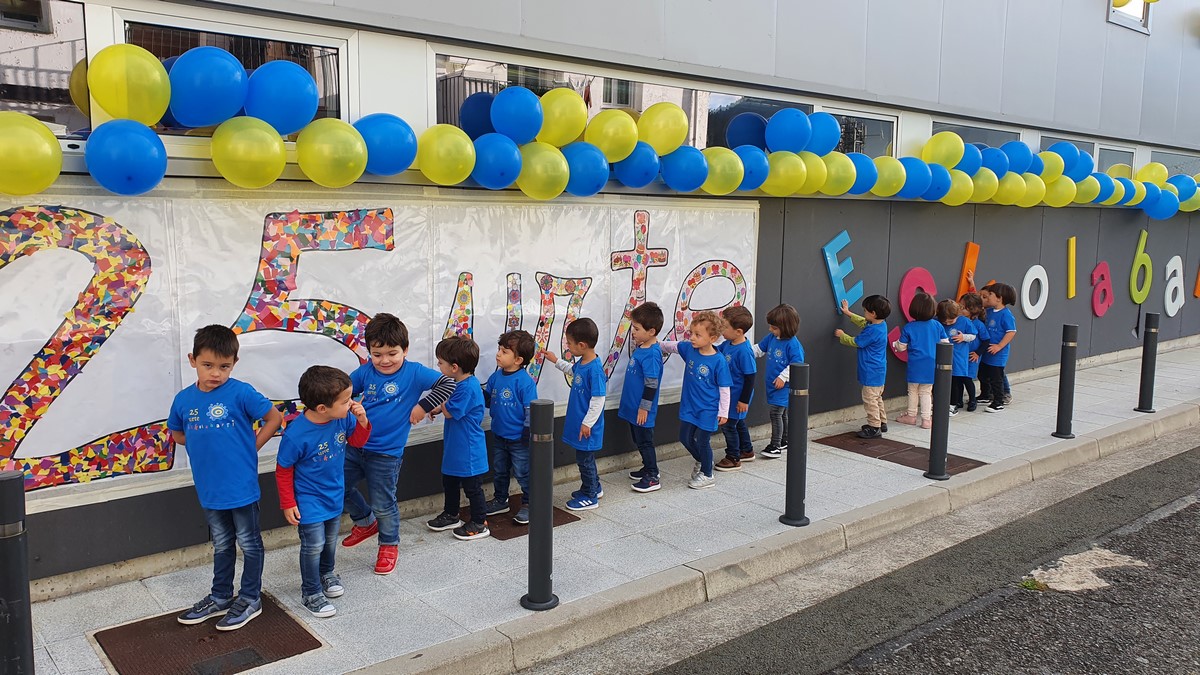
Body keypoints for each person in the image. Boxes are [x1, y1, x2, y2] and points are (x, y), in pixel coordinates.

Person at [169, 325, 283, 631]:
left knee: (249, 542)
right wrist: (203, 443)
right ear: (192, 360)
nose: (215, 373)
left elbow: (274, 417)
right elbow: (178, 433)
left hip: (241, 485)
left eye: (224, 366)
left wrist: (251, 446)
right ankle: (220, 596)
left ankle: (250, 598)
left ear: (234, 363)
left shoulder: (241, 392)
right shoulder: (183, 400)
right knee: (221, 543)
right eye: (208, 365)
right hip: (209, 488)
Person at [341, 313, 456, 575]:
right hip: (355, 446)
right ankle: (365, 522)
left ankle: (389, 545)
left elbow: (448, 383)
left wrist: (423, 406)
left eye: (392, 353)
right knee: (339, 487)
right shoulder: (365, 372)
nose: (385, 360)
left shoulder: (414, 372)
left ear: (405, 349)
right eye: (377, 354)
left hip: (386, 454)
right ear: (369, 352)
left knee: (383, 503)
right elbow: (342, 390)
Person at [275, 366, 371, 618]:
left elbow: (357, 441)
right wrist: (288, 502)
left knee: (329, 540)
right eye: (345, 400)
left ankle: (327, 573)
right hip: (308, 499)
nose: (351, 403)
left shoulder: (342, 418)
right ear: (321, 408)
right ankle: (311, 592)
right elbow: (283, 470)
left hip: (334, 493)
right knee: (313, 545)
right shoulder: (296, 435)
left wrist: (362, 421)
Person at [425, 336, 492, 540]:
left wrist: (440, 404)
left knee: (473, 488)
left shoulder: (468, 387)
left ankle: (479, 522)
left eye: (440, 363)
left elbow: (450, 412)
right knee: (450, 482)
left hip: (468, 449)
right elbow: (449, 407)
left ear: (454, 367)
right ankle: (451, 514)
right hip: (456, 447)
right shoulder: (459, 383)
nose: (438, 366)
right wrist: (439, 407)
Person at [661, 311, 732, 489]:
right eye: (691, 333)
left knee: (702, 441)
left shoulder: (719, 361)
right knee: (684, 438)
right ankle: (703, 461)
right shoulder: (689, 350)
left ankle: (708, 475)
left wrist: (723, 412)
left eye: (697, 335)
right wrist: (656, 344)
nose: (692, 337)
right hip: (689, 406)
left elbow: (724, 389)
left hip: (708, 409)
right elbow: (673, 346)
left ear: (712, 338)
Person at [542, 318, 607, 511]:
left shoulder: (595, 369)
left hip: (587, 427)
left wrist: (587, 423)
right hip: (580, 423)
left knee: (584, 460)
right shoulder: (583, 363)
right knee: (585, 458)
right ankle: (593, 486)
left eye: (569, 343)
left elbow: (598, 399)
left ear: (582, 345)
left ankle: (590, 496)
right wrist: (556, 361)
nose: (568, 346)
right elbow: (573, 371)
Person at [482, 330, 539, 524]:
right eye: (499, 349)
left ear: (518, 360)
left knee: (523, 472)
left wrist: (527, 433)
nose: (498, 354)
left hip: (519, 439)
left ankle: (530, 503)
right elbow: (488, 401)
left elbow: (531, 410)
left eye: (504, 351)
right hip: (499, 435)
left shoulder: (525, 382)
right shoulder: (495, 377)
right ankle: (500, 500)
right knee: (500, 471)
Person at [621, 303, 665, 493]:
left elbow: (651, 384)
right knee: (638, 439)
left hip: (642, 409)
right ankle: (647, 467)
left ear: (651, 331)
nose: (633, 332)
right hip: (634, 407)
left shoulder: (652, 354)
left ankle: (653, 475)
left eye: (637, 329)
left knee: (645, 441)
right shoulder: (642, 347)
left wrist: (644, 408)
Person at [835, 295, 891, 439]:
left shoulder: (873, 331)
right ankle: (882, 422)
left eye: (865, 311)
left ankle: (874, 427)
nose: (864, 313)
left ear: (873, 313)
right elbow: (863, 322)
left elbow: (857, 342)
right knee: (877, 398)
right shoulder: (881, 325)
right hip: (879, 370)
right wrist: (848, 313)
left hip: (871, 370)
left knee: (869, 399)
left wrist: (842, 335)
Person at [753, 304, 805, 458]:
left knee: (776, 413)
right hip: (773, 385)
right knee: (782, 414)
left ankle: (775, 445)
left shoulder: (793, 345)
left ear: (786, 327)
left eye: (774, 327)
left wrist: (783, 377)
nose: (770, 330)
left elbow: (797, 364)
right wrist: (744, 351)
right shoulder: (772, 337)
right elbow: (759, 349)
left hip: (784, 387)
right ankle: (785, 440)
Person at [892, 292, 949, 429]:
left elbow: (901, 346)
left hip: (915, 364)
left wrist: (895, 344)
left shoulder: (909, 327)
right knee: (926, 392)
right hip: (931, 364)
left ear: (913, 309)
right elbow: (945, 344)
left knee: (912, 390)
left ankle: (911, 416)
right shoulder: (937, 326)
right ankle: (926, 420)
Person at [715, 306, 757, 472]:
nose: (721, 330)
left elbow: (750, 377)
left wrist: (743, 401)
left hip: (737, 397)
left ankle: (733, 457)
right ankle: (746, 450)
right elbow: (715, 352)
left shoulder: (744, 351)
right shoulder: (727, 344)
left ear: (738, 331)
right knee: (738, 423)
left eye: (724, 327)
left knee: (728, 426)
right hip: (731, 396)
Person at [979, 282, 1018, 413]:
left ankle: (998, 402)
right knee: (983, 374)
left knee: (996, 379)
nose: (988, 297)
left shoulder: (1006, 315)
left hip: (997, 354)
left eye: (990, 294)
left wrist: (999, 346)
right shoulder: (989, 311)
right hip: (987, 352)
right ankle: (985, 395)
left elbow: (1011, 332)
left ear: (999, 298)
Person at [936, 300, 978, 415]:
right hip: (941, 357)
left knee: (955, 382)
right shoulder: (937, 322)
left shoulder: (964, 321)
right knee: (941, 382)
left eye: (951, 321)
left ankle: (953, 405)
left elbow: (973, 335)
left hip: (958, 358)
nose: (947, 323)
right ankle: (942, 403)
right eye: (945, 321)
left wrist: (963, 337)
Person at [959, 292, 989, 411]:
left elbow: (986, 340)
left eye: (963, 308)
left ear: (972, 310)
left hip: (972, 357)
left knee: (967, 379)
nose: (960, 309)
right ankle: (958, 400)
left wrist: (978, 353)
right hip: (961, 355)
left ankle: (972, 400)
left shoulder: (978, 324)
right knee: (958, 378)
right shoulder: (959, 321)